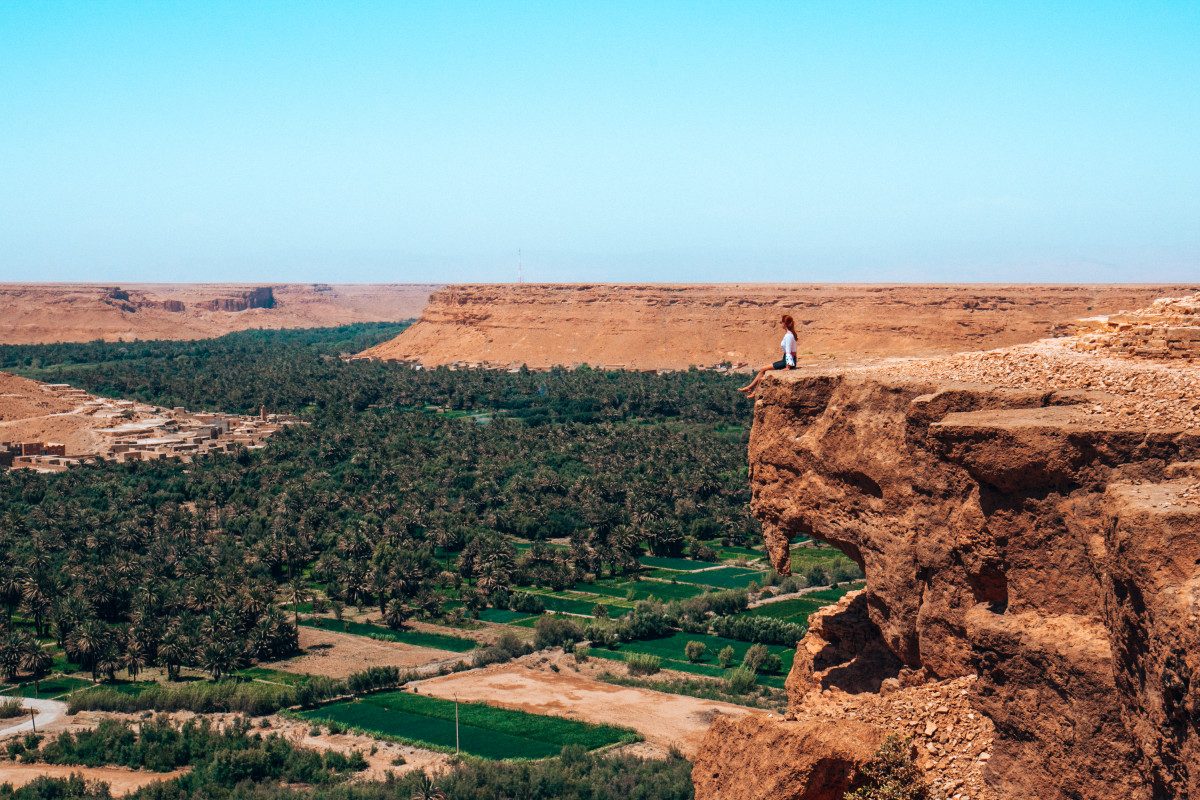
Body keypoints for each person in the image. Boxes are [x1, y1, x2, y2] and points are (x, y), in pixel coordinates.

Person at [738, 315, 798, 397]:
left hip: (787, 361)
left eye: (781, 322)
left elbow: (788, 352)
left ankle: (752, 390)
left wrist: (788, 366)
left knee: (763, 369)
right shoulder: (790, 334)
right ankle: (750, 388)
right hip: (788, 360)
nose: (781, 324)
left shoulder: (788, 336)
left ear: (785, 323)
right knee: (763, 370)